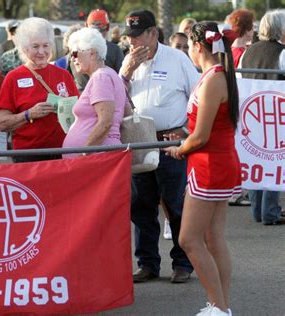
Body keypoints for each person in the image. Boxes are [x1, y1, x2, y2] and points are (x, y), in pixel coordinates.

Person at [164, 21, 241, 316]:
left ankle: (219, 308)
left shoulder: (213, 79)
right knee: (213, 236)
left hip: (209, 166)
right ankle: (221, 306)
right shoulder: (216, 75)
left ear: (197, 46)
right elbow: (204, 130)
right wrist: (185, 139)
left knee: (188, 239)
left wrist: (180, 147)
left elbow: (201, 137)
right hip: (215, 162)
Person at [119, 9, 199, 283]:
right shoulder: (128, 62)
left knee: (175, 204)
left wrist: (186, 130)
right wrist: (126, 73)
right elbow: (115, 100)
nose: (133, 42)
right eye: (129, 37)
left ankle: (183, 263)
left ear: (153, 34)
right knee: (141, 206)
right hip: (139, 141)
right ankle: (148, 263)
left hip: (169, 143)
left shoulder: (178, 59)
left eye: (138, 36)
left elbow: (199, 98)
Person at [0, 17, 79, 163]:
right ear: (24, 48)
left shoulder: (64, 75)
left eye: (46, 45)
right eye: (35, 46)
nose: (42, 52)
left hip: (63, 153)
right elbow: (2, 123)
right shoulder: (13, 78)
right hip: (29, 157)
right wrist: (28, 114)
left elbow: (78, 112)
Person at [241, 10, 284, 225]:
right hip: (276, 113)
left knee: (256, 159)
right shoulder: (282, 52)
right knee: (274, 160)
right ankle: (270, 212)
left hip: (252, 112)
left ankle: (258, 211)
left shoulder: (247, 52)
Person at [62, 28, 125, 158]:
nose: (72, 59)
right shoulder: (108, 74)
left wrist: (84, 153)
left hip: (96, 159)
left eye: (74, 53)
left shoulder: (101, 77)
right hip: (100, 155)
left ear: (91, 53)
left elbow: (106, 122)